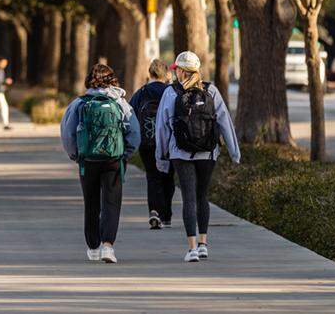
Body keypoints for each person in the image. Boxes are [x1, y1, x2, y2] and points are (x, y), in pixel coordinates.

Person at [155, 51, 240, 262]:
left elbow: (162, 128)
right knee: (203, 196)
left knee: (188, 198)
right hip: (208, 153)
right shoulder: (211, 91)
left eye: (177, 70)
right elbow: (224, 122)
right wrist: (234, 152)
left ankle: (191, 248)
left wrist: (161, 157)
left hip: (180, 154)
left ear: (182, 71)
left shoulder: (171, 93)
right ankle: (203, 244)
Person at [61, 63, 140, 264]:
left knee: (91, 203)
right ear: (112, 79)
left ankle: (93, 246)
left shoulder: (79, 103)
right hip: (113, 159)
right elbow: (134, 133)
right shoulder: (120, 103)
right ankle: (108, 245)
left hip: (87, 160)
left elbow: (68, 133)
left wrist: (76, 155)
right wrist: (125, 154)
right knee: (112, 203)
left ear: (90, 80)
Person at [129, 58, 175, 229]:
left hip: (146, 142)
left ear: (150, 74)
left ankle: (154, 211)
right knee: (168, 177)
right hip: (168, 142)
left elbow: (130, 114)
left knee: (152, 177)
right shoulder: (171, 91)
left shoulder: (141, 92)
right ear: (166, 74)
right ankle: (167, 215)